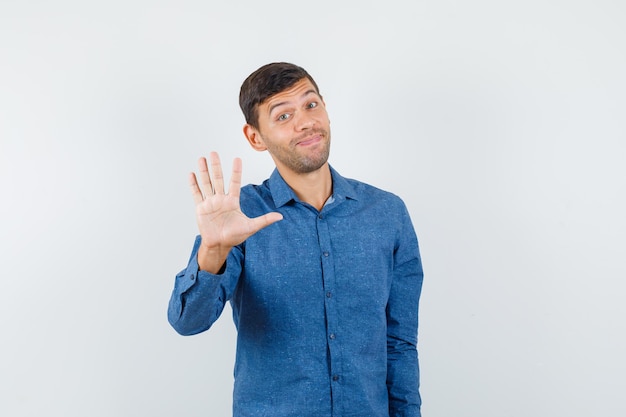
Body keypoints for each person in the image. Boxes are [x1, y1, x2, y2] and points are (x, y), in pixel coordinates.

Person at [168, 62, 424, 417]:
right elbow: (188, 322)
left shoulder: (387, 213)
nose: (305, 122)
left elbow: (399, 344)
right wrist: (213, 249)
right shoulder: (240, 216)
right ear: (256, 137)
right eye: (283, 116)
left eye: (310, 104)